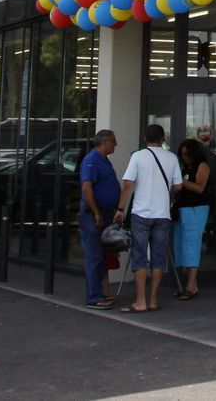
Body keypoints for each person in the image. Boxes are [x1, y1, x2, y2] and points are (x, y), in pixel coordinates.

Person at [113, 124, 181, 313]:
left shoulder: (138, 156)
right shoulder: (172, 158)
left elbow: (128, 185)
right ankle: (153, 300)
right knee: (159, 259)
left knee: (140, 257)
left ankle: (140, 301)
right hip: (163, 214)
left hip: (141, 213)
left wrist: (120, 208)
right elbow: (178, 186)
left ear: (145, 138)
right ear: (163, 138)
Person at [77, 129, 120, 309]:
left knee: (102, 256)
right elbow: (87, 188)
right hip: (94, 215)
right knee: (94, 255)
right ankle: (94, 297)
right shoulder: (92, 160)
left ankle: (100, 293)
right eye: (113, 142)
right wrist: (96, 212)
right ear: (105, 142)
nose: (115, 145)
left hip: (105, 213)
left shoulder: (104, 160)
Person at [172, 137, 212, 300]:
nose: (185, 157)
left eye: (187, 154)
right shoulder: (185, 168)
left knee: (192, 243)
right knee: (181, 244)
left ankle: (190, 285)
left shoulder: (202, 166)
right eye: (182, 154)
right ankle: (191, 285)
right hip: (183, 208)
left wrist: (182, 183)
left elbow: (200, 188)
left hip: (196, 208)